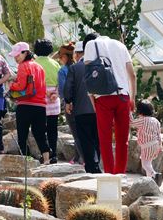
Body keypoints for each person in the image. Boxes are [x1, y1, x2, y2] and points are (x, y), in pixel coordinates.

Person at [83, 33, 137, 174]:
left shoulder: (91, 45)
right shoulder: (120, 45)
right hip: (123, 96)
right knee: (122, 140)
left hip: (103, 97)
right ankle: (120, 174)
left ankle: (109, 175)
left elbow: (89, 77)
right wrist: (133, 98)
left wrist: (92, 99)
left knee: (105, 140)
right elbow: (132, 75)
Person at [8, 42, 50, 164]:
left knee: (23, 134)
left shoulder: (23, 66)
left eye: (17, 55)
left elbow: (21, 85)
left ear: (25, 53)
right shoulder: (39, 67)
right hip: (40, 106)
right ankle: (46, 159)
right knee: (40, 134)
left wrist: (12, 86)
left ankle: (26, 161)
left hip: (25, 105)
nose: (16, 58)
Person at [64, 41, 101, 173]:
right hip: (99, 110)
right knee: (98, 138)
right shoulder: (99, 65)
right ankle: (98, 164)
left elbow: (68, 88)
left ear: (79, 53)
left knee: (85, 139)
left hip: (81, 111)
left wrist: (68, 102)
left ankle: (91, 166)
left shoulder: (75, 68)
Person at [34, 38, 61, 164]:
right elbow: (61, 81)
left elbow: (33, 83)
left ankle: (44, 154)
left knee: (40, 129)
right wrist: (55, 93)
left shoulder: (34, 63)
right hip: (54, 99)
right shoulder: (55, 64)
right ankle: (54, 154)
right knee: (52, 129)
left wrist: (46, 92)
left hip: (39, 99)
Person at [57, 42, 83, 165]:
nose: (60, 60)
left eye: (61, 57)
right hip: (82, 103)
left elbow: (63, 90)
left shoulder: (63, 71)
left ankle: (82, 158)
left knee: (76, 132)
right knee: (83, 131)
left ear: (66, 57)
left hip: (70, 104)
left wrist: (67, 101)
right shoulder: (80, 67)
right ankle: (78, 157)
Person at [131, 100, 163, 185]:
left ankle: (155, 175)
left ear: (140, 111)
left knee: (145, 164)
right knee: (148, 163)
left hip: (147, 145)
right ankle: (150, 180)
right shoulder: (156, 121)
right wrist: (160, 145)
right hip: (155, 144)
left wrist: (129, 112)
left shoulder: (143, 120)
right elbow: (158, 134)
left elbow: (131, 123)